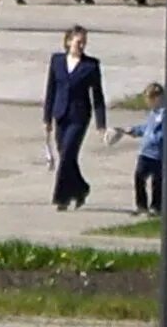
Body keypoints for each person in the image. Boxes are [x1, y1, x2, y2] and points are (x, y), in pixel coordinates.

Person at [42, 24, 106, 211]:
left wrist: (101, 123)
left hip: (79, 116)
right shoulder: (57, 61)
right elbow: (51, 90)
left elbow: (98, 96)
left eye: (84, 42)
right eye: (79, 42)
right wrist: (47, 118)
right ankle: (80, 188)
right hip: (60, 113)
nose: (81, 46)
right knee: (65, 156)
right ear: (69, 41)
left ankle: (61, 198)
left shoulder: (91, 65)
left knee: (68, 153)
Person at [119, 82, 167, 213]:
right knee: (139, 176)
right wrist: (134, 130)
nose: (148, 103)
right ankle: (141, 205)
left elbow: (165, 132)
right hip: (145, 152)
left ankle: (156, 206)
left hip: (159, 154)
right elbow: (146, 127)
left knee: (157, 181)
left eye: (150, 99)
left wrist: (154, 137)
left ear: (158, 98)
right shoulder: (153, 113)